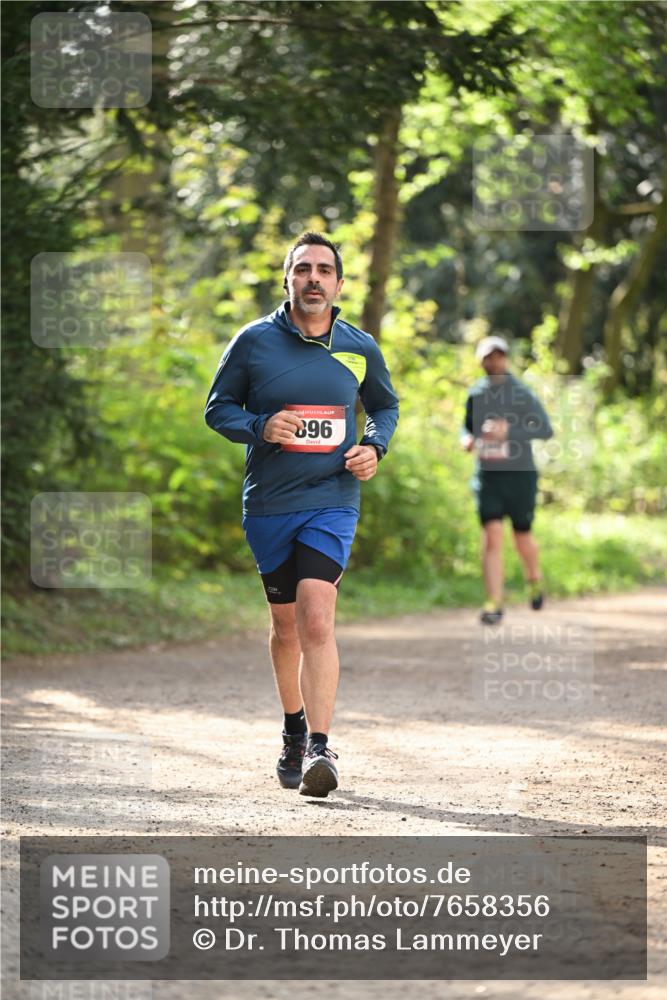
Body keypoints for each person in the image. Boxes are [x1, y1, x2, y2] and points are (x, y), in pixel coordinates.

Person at [204, 232, 399, 797]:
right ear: (287, 279)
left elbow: (384, 405)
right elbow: (218, 408)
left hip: (333, 498)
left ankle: (319, 745)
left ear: (339, 283)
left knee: (317, 617)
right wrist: (259, 425)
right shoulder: (253, 341)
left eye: (324, 270)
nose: (314, 278)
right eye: (303, 269)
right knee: (285, 624)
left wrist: (374, 445)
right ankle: (292, 728)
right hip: (270, 502)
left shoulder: (360, 346)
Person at [461, 336, 553, 625]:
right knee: (492, 537)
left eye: (499, 356)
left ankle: (534, 580)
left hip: (520, 476)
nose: (494, 362)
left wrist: (509, 432)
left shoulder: (522, 393)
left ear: (507, 359)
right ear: (481, 361)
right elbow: (467, 427)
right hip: (488, 477)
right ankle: (494, 603)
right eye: (489, 357)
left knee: (522, 537)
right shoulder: (476, 394)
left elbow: (545, 429)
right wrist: (467, 439)